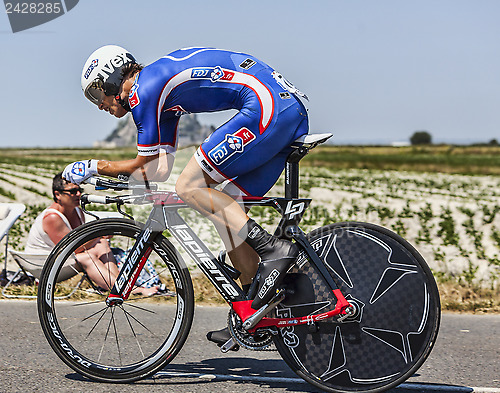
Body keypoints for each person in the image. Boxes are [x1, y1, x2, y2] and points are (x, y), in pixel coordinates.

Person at [63, 45, 309, 344]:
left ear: (111, 80)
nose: (98, 104)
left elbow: (146, 165)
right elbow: (158, 169)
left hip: (266, 105)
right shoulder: (160, 100)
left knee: (189, 187)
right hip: (285, 108)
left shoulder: (145, 90)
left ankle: (272, 248)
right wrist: (114, 177)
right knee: (225, 212)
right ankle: (253, 313)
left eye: (95, 94)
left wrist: (95, 166)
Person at [26, 173, 159, 295]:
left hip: (59, 259)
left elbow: (80, 244)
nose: (78, 194)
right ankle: (134, 289)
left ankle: (118, 285)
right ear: (57, 194)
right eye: (73, 191)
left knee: (102, 244)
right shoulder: (52, 218)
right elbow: (73, 248)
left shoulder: (76, 211)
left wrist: (101, 238)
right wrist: (100, 234)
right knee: (86, 256)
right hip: (40, 263)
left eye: (80, 190)